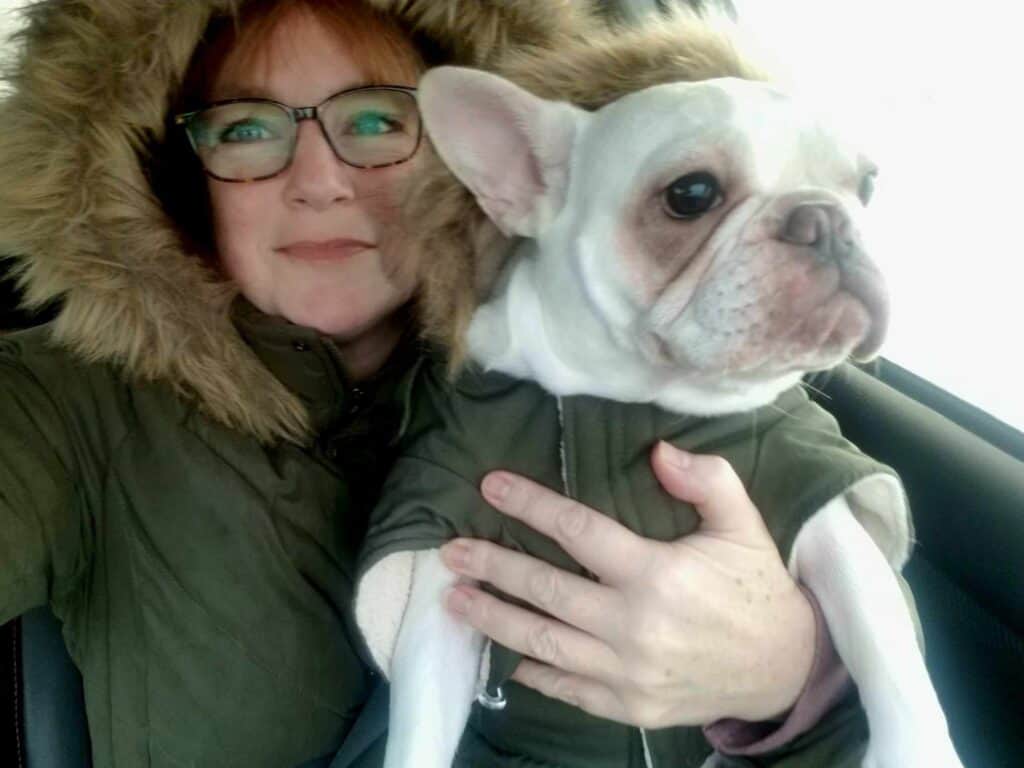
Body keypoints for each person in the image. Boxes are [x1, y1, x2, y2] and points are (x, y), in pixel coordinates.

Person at [0, 1, 867, 766]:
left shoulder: (652, 364)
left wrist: (795, 672)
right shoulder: (68, 410)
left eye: (378, 122)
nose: (320, 181)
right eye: (247, 128)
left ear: (477, 167)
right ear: (178, 176)